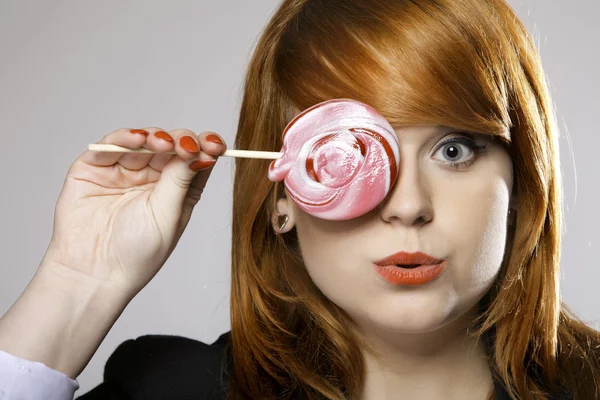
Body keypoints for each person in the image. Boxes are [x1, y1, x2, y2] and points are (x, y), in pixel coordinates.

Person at [0, 0, 599, 399]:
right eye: (346, 149)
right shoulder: (171, 390)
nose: (408, 205)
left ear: (520, 179)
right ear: (281, 194)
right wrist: (79, 280)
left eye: (455, 150)